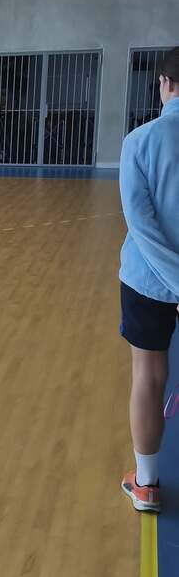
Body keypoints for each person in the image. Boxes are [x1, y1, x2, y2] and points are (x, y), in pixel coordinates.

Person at [118, 45, 179, 514]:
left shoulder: (141, 141)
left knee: (149, 376)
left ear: (165, 84)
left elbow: (142, 227)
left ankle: (147, 483)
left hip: (148, 282)